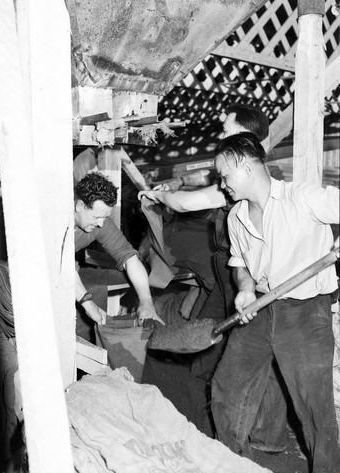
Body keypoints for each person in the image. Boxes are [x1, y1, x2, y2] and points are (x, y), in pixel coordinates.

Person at [139, 106, 288, 450]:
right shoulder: (249, 174)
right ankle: (260, 430)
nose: (220, 136)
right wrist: (176, 182)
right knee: (235, 336)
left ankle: (216, 418)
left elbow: (186, 204)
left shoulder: (241, 180)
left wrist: (159, 195)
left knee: (235, 338)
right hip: (232, 264)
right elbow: (198, 183)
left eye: (226, 131)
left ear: (243, 138)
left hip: (240, 268)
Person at [210, 132, 340, 472]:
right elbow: (240, 264)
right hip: (260, 310)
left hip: (305, 314)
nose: (221, 184)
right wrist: (245, 287)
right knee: (228, 386)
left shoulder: (303, 198)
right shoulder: (236, 217)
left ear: (244, 166)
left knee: (314, 408)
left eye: (223, 174)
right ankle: (233, 463)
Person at [74, 171, 163, 328]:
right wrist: (87, 303)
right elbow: (60, 266)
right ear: (79, 205)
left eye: (105, 217)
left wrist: (146, 301)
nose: (101, 224)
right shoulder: (56, 219)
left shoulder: (101, 223)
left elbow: (129, 258)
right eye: (96, 217)